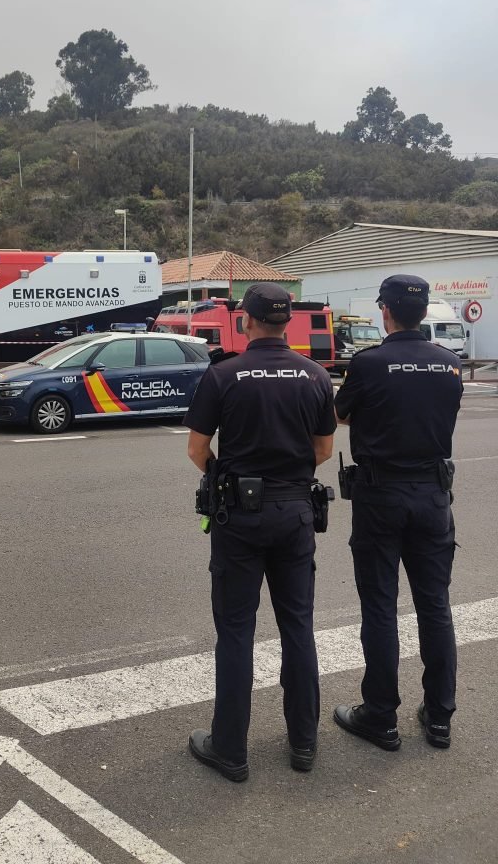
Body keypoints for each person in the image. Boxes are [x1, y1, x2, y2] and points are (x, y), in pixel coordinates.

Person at [184, 282, 336, 781]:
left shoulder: (224, 374)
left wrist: (230, 476)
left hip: (240, 517)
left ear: (245, 321)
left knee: (235, 632)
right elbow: (324, 450)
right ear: (287, 322)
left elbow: (197, 450)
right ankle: (304, 744)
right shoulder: (315, 376)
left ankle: (230, 749)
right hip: (295, 513)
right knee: (297, 628)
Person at [333, 275, 463, 752]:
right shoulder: (450, 364)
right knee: (435, 607)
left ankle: (381, 716)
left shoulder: (369, 363)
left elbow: (341, 414)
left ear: (384, 311)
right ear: (425, 313)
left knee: (380, 607)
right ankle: (440, 715)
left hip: (380, 495)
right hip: (432, 496)